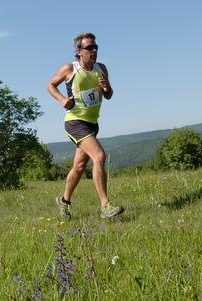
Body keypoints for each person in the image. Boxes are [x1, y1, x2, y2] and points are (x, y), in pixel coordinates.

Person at [47, 32, 124, 220]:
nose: (94, 50)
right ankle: (105, 206)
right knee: (99, 156)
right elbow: (50, 85)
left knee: (80, 166)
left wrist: (106, 88)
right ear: (79, 51)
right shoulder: (69, 69)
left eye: (95, 47)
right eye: (89, 47)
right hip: (75, 122)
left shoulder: (101, 68)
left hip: (92, 123)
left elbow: (109, 95)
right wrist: (62, 100)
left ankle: (64, 202)